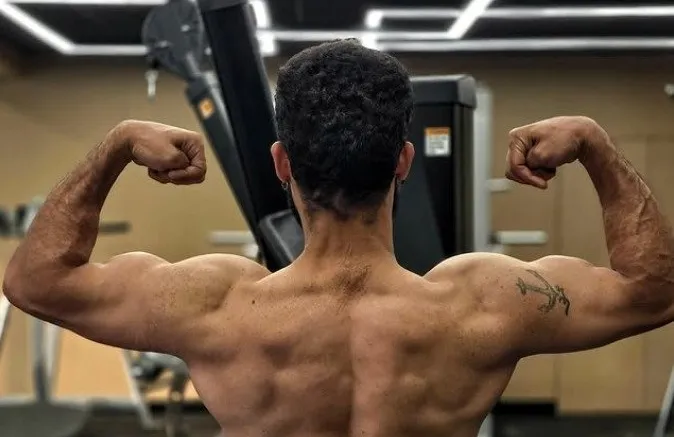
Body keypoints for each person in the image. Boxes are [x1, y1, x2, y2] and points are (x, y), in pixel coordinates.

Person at [3, 39, 674, 437]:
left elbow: (35, 280)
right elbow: (655, 288)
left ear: (281, 164)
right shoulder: (482, 305)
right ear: (403, 162)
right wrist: (594, 144)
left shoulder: (215, 306)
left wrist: (117, 146)